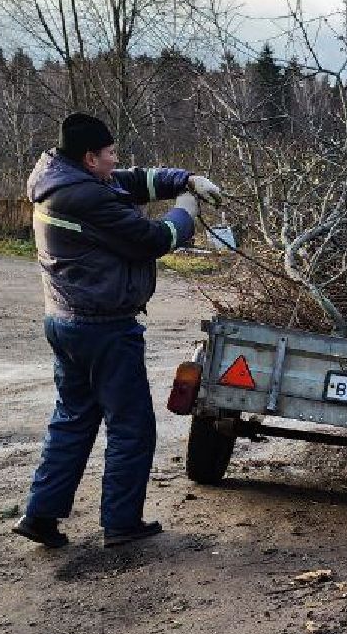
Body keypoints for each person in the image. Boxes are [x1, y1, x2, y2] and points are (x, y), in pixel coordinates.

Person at [11, 112, 223, 549]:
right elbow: (153, 239)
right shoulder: (87, 199)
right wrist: (185, 212)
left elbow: (136, 181)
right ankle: (122, 523)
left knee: (73, 418)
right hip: (102, 328)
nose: (117, 158)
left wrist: (185, 179)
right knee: (132, 425)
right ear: (90, 158)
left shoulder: (63, 180)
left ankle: (41, 514)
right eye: (110, 153)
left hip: (66, 320)